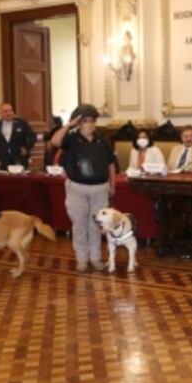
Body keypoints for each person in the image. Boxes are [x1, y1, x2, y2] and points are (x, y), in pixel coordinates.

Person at [50, 104, 117, 272]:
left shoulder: (103, 140)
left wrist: (113, 185)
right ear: (79, 123)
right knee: (79, 225)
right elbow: (54, 141)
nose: (89, 124)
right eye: (85, 121)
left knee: (95, 225)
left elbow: (111, 165)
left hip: (100, 188)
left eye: (92, 121)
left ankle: (95, 258)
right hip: (77, 188)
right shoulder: (71, 139)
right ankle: (81, 258)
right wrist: (69, 125)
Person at [0, 103, 36, 169]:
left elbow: (33, 137)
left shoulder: (21, 123)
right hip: (2, 159)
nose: (9, 113)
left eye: (10, 110)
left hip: (19, 157)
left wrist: (26, 148)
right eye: (5, 111)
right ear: (0, 113)